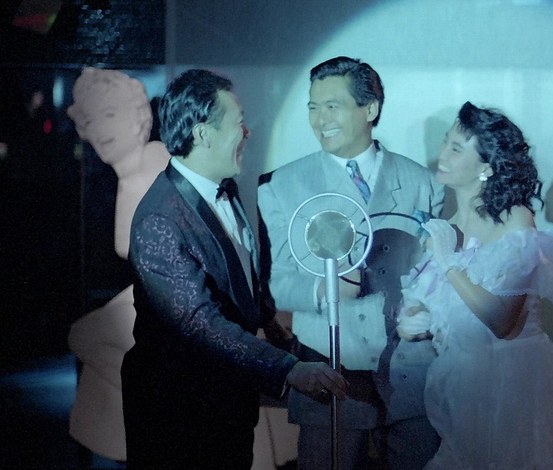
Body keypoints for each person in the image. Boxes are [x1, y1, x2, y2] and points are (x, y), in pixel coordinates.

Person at [120, 69, 347, 470]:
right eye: (239, 122)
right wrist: (289, 369)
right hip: (177, 415)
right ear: (203, 134)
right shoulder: (160, 217)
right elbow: (198, 323)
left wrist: (277, 332)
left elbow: (239, 283)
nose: (247, 132)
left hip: (227, 404)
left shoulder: (226, 188)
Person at [397, 102, 553, 469]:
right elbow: (441, 316)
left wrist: (449, 262)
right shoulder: (445, 226)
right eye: (445, 142)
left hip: (517, 387)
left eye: (455, 148)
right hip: (463, 388)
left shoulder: (515, 219)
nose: (442, 154)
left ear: (486, 167)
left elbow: (502, 321)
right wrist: (413, 321)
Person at [258, 56, 444, 469]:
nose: (319, 119)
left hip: (410, 377)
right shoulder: (283, 185)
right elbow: (275, 285)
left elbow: (434, 275)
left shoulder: (423, 183)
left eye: (332, 106)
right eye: (313, 107)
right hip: (331, 376)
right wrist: (323, 289)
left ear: (370, 109)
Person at [65, 67, 170, 462]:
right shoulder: (128, 174)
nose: (100, 129)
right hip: (154, 289)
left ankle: (164, 400)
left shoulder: (155, 159)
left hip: (173, 293)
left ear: (137, 115)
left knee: (87, 336)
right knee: (89, 338)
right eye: (92, 119)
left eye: (110, 114)